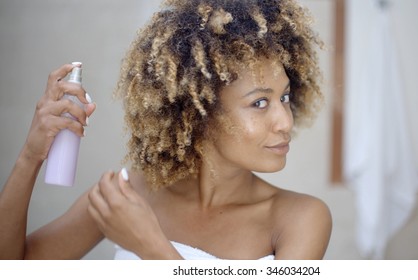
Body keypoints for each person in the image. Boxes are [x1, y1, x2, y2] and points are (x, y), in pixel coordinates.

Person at [0, 0, 331, 260]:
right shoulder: (129, 195)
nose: (285, 121)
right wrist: (31, 155)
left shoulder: (299, 219)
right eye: (260, 102)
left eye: (284, 97)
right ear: (197, 110)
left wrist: (151, 247)